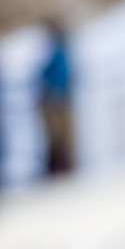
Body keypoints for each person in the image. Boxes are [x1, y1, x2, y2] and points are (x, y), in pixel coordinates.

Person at [39, 21, 75, 175]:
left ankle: (60, 164)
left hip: (58, 99)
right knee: (59, 134)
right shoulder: (61, 53)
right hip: (59, 98)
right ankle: (60, 164)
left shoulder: (59, 54)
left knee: (59, 134)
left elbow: (45, 74)